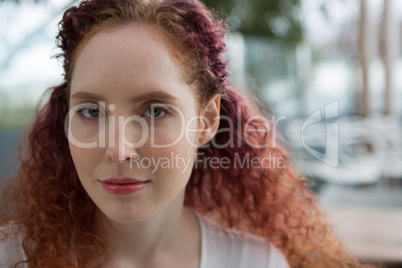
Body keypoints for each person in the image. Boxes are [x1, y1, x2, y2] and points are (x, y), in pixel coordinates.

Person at [0, 0, 361, 267]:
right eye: (91, 111)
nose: (119, 150)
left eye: (155, 111)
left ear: (205, 121)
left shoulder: (255, 263)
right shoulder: (13, 256)